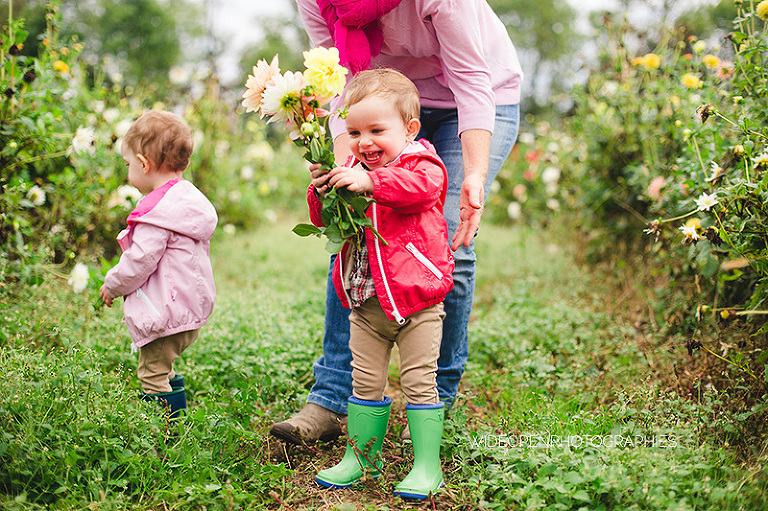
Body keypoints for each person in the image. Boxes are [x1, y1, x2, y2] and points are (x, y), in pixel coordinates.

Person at [270, 0, 522, 444]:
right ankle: (329, 400)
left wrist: (476, 175)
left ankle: (435, 403)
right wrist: (347, 171)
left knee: (446, 243)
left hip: (476, 99)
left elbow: (471, 79)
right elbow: (336, 81)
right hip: (375, 112)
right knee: (354, 236)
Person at [309, 68, 453, 499]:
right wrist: (322, 192)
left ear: (408, 130)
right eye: (354, 131)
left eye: (376, 129)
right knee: (364, 382)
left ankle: (427, 464)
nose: (364, 141)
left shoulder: (421, 162)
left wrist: (371, 181)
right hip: (367, 304)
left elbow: (422, 190)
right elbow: (326, 223)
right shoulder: (351, 168)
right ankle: (361, 456)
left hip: (416, 304)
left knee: (419, 383)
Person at [100, 110, 218, 420]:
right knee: (163, 367)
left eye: (128, 165)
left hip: (165, 313)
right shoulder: (187, 201)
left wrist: (112, 284)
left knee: (151, 373)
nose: (129, 172)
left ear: (143, 163)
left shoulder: (157, 213)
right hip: (187, 309)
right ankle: (175, 418)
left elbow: (139, 261)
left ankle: (166, 435)